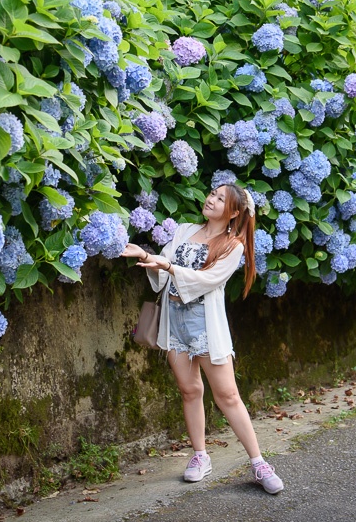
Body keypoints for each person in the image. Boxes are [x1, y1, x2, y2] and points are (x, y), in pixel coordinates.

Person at [121, 183, 285, 494]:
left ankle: (259, 463)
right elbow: (163, 267)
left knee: (228, 397)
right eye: (212, 193)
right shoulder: (184, 229)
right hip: (175, 324)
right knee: (189, 390)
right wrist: (145, 254)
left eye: (220, 198)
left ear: (234, 211)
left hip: (206, 326)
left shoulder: (233, 246)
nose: (211, 199)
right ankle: (200, 456)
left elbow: (210, 279)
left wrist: (168, 265)